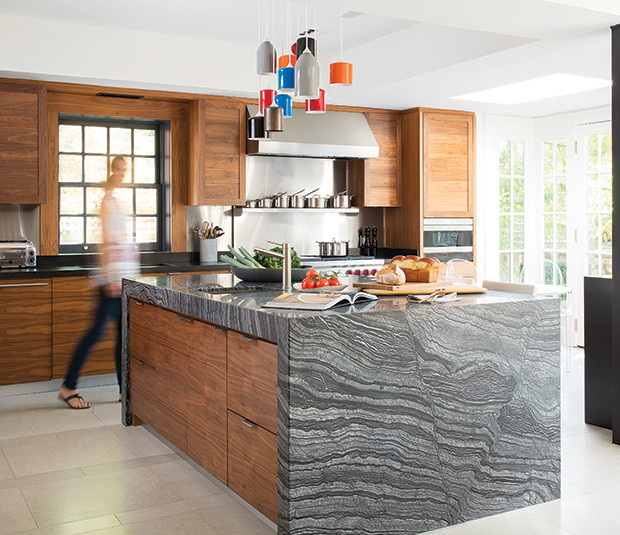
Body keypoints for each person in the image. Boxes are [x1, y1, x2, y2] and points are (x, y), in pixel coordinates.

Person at [58, 156, 139, 409]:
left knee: (122, 336)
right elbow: (107, 241)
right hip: (113, 281)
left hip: (123, 279)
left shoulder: (115, 199)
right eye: (118, 169)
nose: (122, 174)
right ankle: (68, 386)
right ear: (110, 172)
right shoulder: (107, 201)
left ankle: (123, 389)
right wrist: (114, 277)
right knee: (95, 334)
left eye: (125, 170)